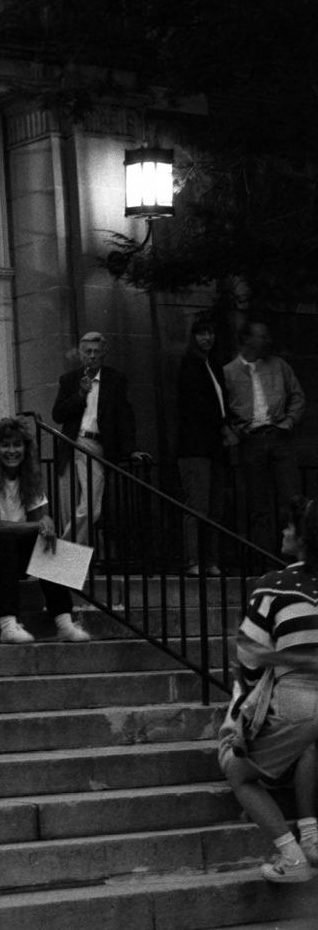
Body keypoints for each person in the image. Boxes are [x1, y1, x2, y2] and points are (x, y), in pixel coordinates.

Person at [217, 498, 318, 884]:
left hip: (298, 699)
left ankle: (293, 858)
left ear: (305, 536)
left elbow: (248, 661)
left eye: (290, 526)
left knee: (238, 772)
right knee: (309, 745)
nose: (283, 532)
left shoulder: (273, 585)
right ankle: (311, 834)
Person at [0, 417, 89, 643]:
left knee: (48, 542)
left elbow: (41, 523)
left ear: (25, 448)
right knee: (4, 538)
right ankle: (8, 624)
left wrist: (46, 526)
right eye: (5, 445)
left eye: (17, 445)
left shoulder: (30, 476)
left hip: (6, 555)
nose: (11, 451)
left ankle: (64, 622)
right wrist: (39, 524)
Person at [50, 331, 142, 546]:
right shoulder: (69, 380)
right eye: (87, 352)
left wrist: (131, 449)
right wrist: (80, 395)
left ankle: (60, 557)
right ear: (80, 355)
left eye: (96, 352)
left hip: (96, 445)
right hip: (71, 443)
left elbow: (124, 416)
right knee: (69, 508)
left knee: (91, 506)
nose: (92, 356)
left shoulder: (115, 380)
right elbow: (58, 414)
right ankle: (75, 567)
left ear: (103, 354)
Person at [224, 319, 305, 557]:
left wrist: (288, 422)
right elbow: (222, 408)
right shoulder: (229, 372)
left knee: (291, 498)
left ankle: (295, 556)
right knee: (258, 503)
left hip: (279, 435)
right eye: (262, 336)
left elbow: (297, 396)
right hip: (252, 439)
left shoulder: (278, 365)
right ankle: (264, 559)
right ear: (247, 339)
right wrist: (237, 430)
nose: (267, 340)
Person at [176, 317, 229, 575]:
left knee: (214, 508)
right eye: (201, 333)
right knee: (197, 506)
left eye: (210, 332)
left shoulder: (214, 366)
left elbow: (220, 405)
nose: (207, 338)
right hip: (195, 447)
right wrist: (223, 427)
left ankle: (210, 561)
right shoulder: (190, 365)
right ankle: (193, 560)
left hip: (215, 447)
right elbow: (198, 407)